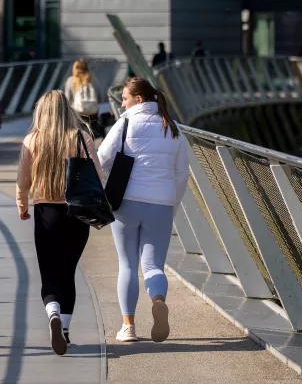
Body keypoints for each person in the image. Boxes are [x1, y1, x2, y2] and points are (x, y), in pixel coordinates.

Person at [97, 77, 189, 344]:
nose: (122, 103)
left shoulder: (125, 122)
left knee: (127, 265)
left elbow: (101, 158)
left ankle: (128, 327)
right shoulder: (172, 127)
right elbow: (182, 173)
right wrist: (173, 202)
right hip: (160, 204)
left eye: (124, 98)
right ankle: (158, 300)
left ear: (138, 99)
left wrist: (105, 186)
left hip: (125, 202)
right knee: (153, 265)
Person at [17, 91, 102, 356]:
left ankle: (52, 313)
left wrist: (22, 206)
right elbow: (97, 176)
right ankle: (64, 329)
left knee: (49, 272)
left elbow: (23, 181)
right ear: (68, 111)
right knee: (68, 272)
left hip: (46, 213)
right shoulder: (81, 137)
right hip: (76, 213)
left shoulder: (33, 140)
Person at [64, 59, 103, 139]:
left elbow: (67, 100)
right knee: (92, 135)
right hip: (92, 113)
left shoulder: (71, 81)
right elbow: (100, 96)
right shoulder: (93, 79)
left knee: (78, 136)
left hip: (77, 114)